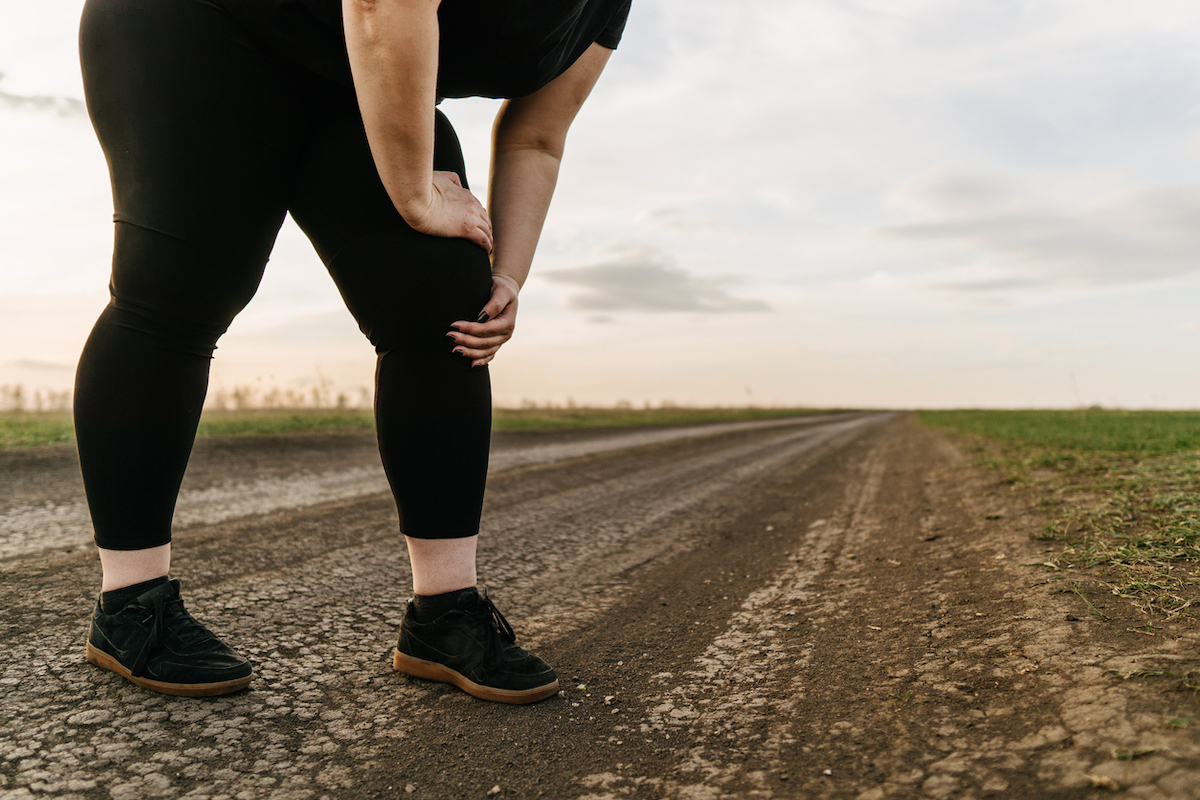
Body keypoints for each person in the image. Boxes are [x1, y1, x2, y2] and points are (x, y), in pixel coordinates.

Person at [75, 0, 630, 703]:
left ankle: (445, 615)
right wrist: (416, 197)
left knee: (446, 301)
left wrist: (507, 277)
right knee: (178, 293)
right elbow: (379, 5)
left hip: (354, 72)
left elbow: (538, 137)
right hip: (204, 27)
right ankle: (132, 607)